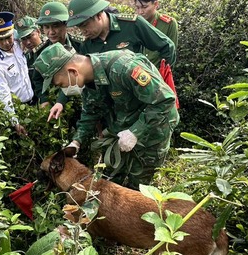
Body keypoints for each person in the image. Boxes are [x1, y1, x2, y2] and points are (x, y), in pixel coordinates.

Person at [34, 43, 179, 189]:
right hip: (122, 129)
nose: (64, 90)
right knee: (112, 178)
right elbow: (91, 112)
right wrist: (77, 141)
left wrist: (135, 132)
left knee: (139, 184)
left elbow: (165, 100)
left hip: (154, 129)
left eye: (61, 84)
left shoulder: (124, 67)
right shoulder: (87, 82)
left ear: (73, 72)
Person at [66, 0, 175, 68]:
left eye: (85, 25)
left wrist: (159, 81)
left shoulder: (132, 25)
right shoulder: (86, 43)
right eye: (79, 27)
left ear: (99, 15)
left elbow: (167, 47)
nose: (83, 31)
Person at [0, 11, 34, 136]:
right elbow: (3, 96)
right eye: (0, 39)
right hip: (19, 111)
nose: (6, 43)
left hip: (35, 100)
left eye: (8, 37)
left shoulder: (17, 41)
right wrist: (15, 122)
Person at [36, 1, 84, 120]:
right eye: (46, 27)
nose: (51, 32)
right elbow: (37, 78)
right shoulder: (41, 52)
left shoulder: (80, 46)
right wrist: (44, 100)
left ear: (65, 24)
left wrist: (61, 101)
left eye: (55, 26)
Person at [134, 0, 179, 67]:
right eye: (137, 8)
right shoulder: (134, 23)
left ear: (155, 4)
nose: (140, 12)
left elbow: (171, 53)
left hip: (158, 74)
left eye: (144, 7)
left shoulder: (169, 24)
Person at [15, 16, 49, 107]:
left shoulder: (50, 50)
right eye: (23, 39)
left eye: (30, 36)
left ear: (38, 32)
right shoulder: (26, 58)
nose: (28, 42)